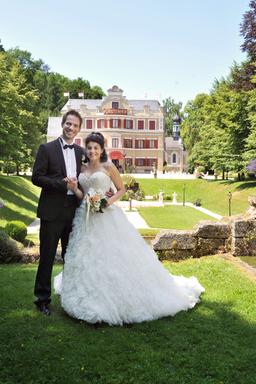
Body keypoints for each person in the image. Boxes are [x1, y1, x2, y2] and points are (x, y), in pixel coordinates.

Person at [54, 132, 205, 325]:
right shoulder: (82, 167)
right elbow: (81, 194)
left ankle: (115, 297)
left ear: (102, 150)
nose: (92, 151)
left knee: (111, 256)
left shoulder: (108, 166)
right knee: (85, 256)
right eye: (89, 147)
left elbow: (122, 189)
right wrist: (75, 188)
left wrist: (106, 202)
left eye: (96, 148)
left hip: (105, 216)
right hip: (84, 217)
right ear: (86, 149)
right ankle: (85, 295)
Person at [32, 109, 85, 315]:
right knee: (46, 257)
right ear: (63, 124)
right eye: (68, 124)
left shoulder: (81, 152)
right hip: (51, 212)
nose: (71, 128)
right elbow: (36, 177)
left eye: (75, 125)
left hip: (73, 213)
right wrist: (60, 184)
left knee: (71, 257)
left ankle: (70, 295)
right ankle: (42, 299)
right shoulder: (46, 148)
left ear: (79, 129)